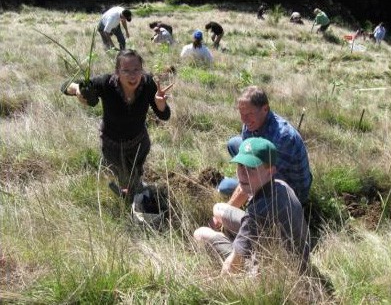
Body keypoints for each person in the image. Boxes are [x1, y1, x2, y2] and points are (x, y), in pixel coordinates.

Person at [61, 49, 173, 205]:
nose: (132, 75)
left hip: (139, 141)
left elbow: (165, 115)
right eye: (126, 70)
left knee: (137, 170)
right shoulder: (106, 83)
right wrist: (78, 90)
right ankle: (129, 199)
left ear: (142, 69)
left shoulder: (148, 84)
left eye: (136, 69)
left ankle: (133, 191)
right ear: (117, 72)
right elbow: (66, 85)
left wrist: (161, 104)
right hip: (112, 145)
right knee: (124, 175)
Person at [194, 137, 310, 274]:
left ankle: (229, 239)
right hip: (296, 254)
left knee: (200, 233)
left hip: (277, 272)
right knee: (218, 208)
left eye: (251, 168)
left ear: (270, 171)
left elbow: (232, 266)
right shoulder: (280, 185)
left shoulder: (258, 212)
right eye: (240, 165)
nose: (242, 173)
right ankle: (231, 235)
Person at [218, 86, 312, 207]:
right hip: (266, 171)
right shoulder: (252, 123)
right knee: (233, 143)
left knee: (224, 187)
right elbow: (248, 157)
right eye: (241, 114)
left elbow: (263, 176)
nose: (244, 119)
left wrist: (225, 212)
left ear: (265, 109)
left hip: (291, 193)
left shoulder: (282, 137)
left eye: (249, 113)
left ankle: (255, 199)